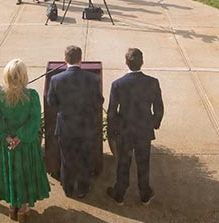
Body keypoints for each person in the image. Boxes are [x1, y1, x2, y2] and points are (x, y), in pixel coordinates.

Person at [0, 59, 50, 222]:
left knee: (11, 171)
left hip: (7, 143)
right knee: (25, 172)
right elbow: (35, 120)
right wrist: (20, 137)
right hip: (26, 143)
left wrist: (7, 137)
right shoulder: (31, 96)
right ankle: (23, 207)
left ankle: (12, 206)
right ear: (24, 75)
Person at [106, 47, 164, 206]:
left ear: (126, 63)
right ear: (142, 62)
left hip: (124, 130)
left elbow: (112, 110)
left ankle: (119, 193)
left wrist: (112, 130)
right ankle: (144, 193)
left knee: (123, 163)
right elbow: (158, 108)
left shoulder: (117, 84)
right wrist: (153, 123)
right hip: (143, 130)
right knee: (143, 162)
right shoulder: (152, 82)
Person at [46, 45, 104, 199]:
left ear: (65, 60)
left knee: (67, 158)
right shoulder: (92, 79)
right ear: (81, 60)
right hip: (86, 126)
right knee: (85, 157)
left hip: (65, 127)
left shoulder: (55, 79)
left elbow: (51, 102)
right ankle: (83, 189)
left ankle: (68, 187)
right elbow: (99, 101)